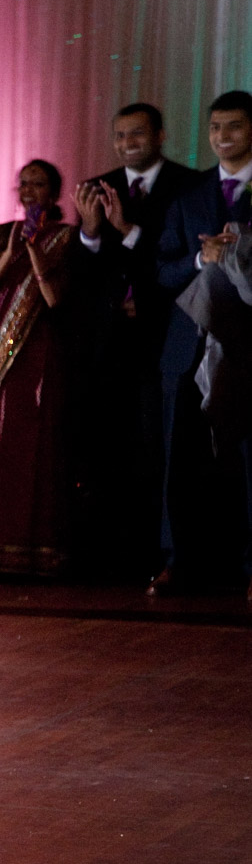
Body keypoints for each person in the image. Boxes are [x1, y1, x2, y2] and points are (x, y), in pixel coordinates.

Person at [70, 104, 195, 577]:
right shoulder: (98, 187)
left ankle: (160, 554)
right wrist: (89, 232)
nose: (128, 144)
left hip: (163, 335)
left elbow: (178, 261)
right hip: (108, 342)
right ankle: (107, 555)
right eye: (120, 136)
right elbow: (84, 273)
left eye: (137, 134)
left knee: (157, 446)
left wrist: (128, 231)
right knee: (106, 445)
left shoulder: (188, 185)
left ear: (160, 135)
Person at [153, 89, 252, 596]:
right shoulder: (190, 194)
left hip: (247, 344)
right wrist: (200, 260)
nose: (222, 137)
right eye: (215, 128)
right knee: (180, 458)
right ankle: (178, 560)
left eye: (233, 126)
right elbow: (162, 269)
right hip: (189, 345)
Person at [0, 160, 74, 576]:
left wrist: (34, 253)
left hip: (39, 352)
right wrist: (9, 254)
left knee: (35, 445)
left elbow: (54, 299)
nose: (29, 191)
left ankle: (34, 550)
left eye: (39, 183)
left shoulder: (65, 237)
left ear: (55, 192)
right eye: (24, 183)